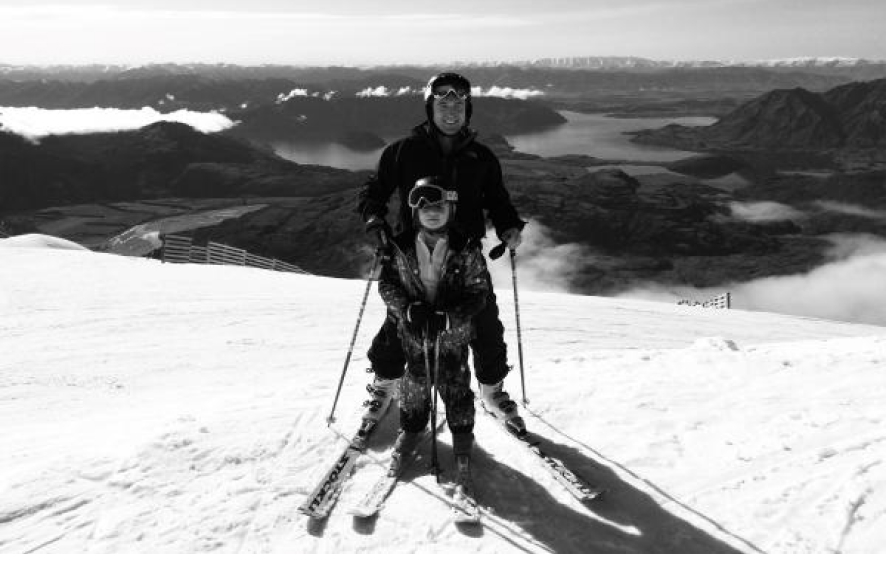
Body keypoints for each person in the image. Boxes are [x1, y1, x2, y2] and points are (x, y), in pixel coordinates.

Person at [356, 71, 526, 433]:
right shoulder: (403, 152)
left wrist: (509, 225)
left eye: (459, 103)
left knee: (484, 324)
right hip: (412, 255)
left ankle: (491, 388)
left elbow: (497, 200)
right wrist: (375, 222)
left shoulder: (481, 158)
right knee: (401, 323)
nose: (452, 110)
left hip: (464, 258)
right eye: (443, 102)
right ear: (430, 107)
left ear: (468, 109)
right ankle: (386, 384)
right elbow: (374, 192)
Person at [377, 177, 488, 484]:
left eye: (439, 206)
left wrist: (451, 316)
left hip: (451, 335)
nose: (432, 212)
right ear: (415, 212)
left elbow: (478, 292)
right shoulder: (400, 247)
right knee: (414, 386)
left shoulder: (465, 247)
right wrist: (407, 309)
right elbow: (387, 284)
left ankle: (463, 441)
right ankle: (411, 432)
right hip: (414, 333)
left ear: (450, 209)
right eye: (424, 207)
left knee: (455, 387)